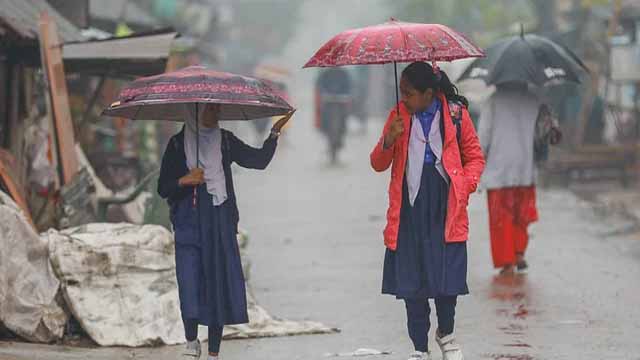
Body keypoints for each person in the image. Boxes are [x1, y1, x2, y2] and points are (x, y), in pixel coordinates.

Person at [158, 104, 294, 360]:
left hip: (219, 220)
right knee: (189, 282)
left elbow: (258, 160)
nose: (215, 115)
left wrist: (274, 133)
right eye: (210, 110)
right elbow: (163, 188)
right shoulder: (177, 146)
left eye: (217, 110)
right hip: (188, 222)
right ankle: (191, 341)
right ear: (195, 113)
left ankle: (213, 353)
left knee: (216, 283)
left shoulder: (225, 142)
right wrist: (184, 180)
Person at [370, 62, 485, 360]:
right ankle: (420, 347)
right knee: (413, 283)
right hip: (410, 209)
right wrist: (388, 140)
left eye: (409, 93)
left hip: (446, 207)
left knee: (447, 278)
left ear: (429, 93)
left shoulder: (456, 116)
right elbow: (378, 163)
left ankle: (445, 332)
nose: (404, 98)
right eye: (402, 92)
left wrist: (465, 185)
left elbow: (474, 157)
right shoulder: (397, 116)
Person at [478, 81, 555, 275]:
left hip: (499, 169)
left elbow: (483, 137)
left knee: (500, 217)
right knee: (521, 214)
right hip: (525, 167)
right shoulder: (534, 100)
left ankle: (507, 261)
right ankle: (519, 253)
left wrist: (478, 162)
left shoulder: (493, 101)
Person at [315, 67, 352, 164]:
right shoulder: (325, 73)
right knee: (325, 122)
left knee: (343, 122)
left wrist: (345, 95)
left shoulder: (344, 74)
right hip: (328, 103)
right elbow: (320, 86)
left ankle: (340, 137)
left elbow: (349, 87)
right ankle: (328, 136)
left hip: (341, 103)